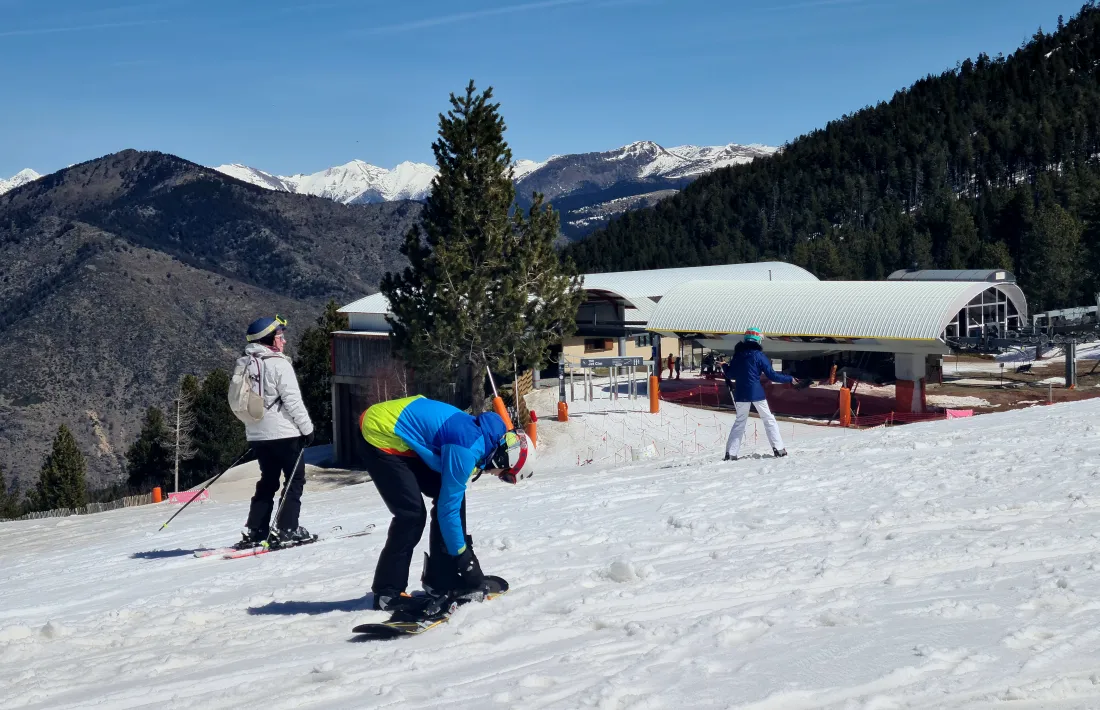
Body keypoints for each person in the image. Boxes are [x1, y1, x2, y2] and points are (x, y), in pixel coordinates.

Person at [359, 395, 533, 612]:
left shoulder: (485, 438)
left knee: (451, 497)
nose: (499, 477)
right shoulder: (467, 448)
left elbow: (450, 503)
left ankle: (440, 577)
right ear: (505, 458)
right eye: (506, 476)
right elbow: (447, 511)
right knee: (411, 515)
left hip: (399, 430)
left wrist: (463, 557)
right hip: (379, 431)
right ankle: (387, 593)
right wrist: (465, 559)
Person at [239, 315, 315, 546]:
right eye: (280, 336)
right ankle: (287, 529)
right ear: (269, 339)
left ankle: (256, 530)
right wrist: (307, 429)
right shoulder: (279, 364)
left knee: (268, 480)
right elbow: (292, 401)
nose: (284, 341)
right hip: (285, 433)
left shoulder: (245, 364)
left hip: (257, 434)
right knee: (294, 479)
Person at [723, 327, 792, 461]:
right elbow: (772, 375)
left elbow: (730, 374)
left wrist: (724, 366)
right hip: (756, 393)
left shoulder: (738, 355)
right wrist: (789, 378)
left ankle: (730, 453)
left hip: (741, 393)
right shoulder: (759, 355)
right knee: (768, 419)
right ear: (757, 340)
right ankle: (778, 449)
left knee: (740, 422)